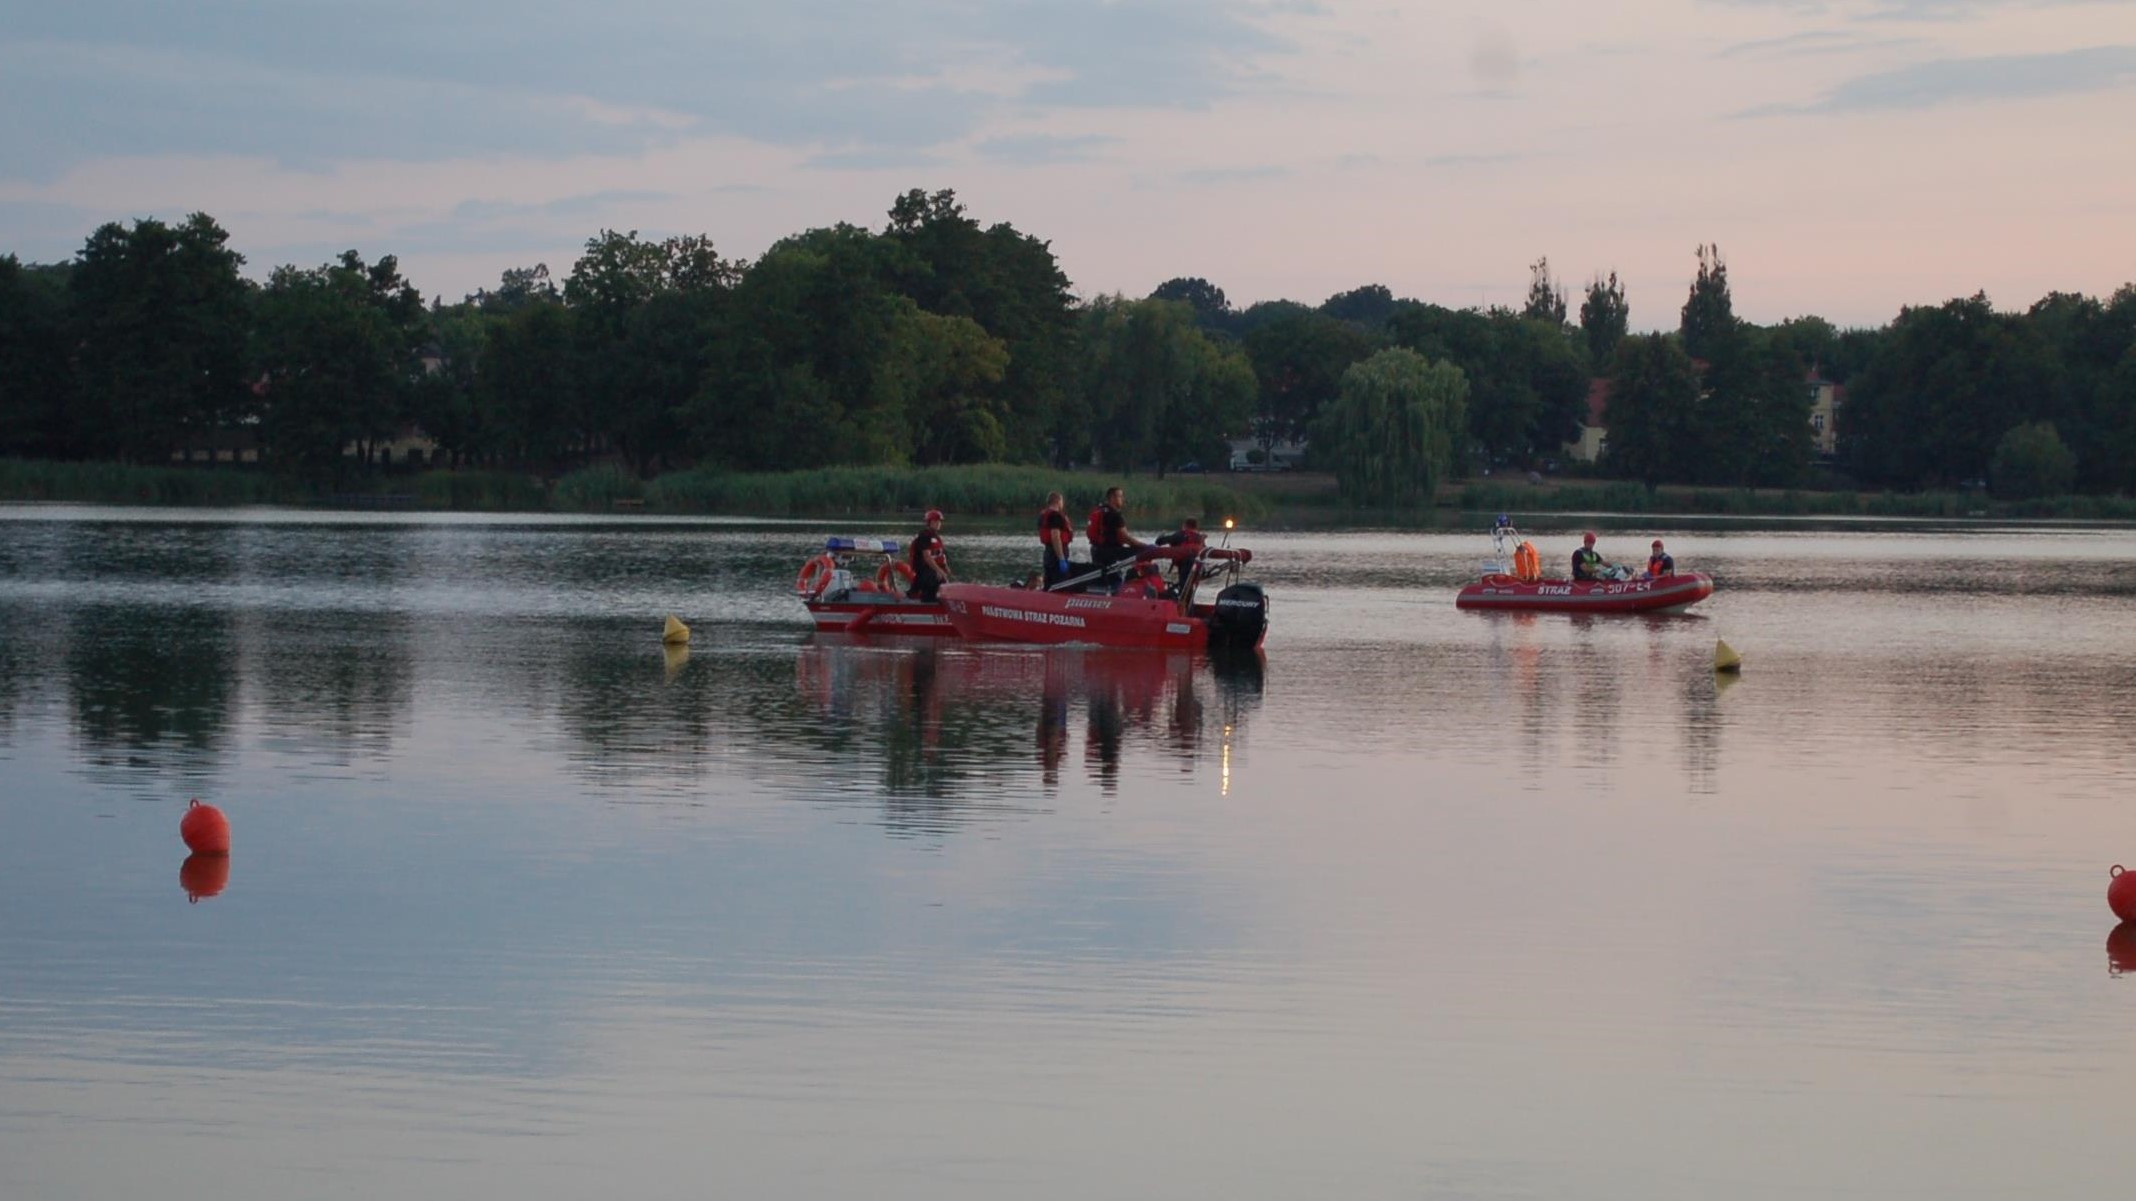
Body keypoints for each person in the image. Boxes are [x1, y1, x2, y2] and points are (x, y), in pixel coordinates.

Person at [1089, 486, 1145, 573]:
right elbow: (1125, 538)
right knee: (1142, 553)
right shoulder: (1115, 515)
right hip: (1111, 551)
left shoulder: (1100, 510)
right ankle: (1138, 577)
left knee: (1104, 575)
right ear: (1112, 498)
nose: (1122, 499)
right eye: (1120, 496)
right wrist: (1144, 546)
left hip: (1096, 550)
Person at [1153, 516, 1205, 594]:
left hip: (1185, 564)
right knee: (1190, 587)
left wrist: (1161, 536)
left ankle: (1182, 603)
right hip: (1198, 565)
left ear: (1185, 525)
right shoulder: (1199, 537)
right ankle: (1189, 604)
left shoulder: (1181, 534)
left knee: (1184, 586)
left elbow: (1159, 542)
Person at [908, 508, 951, 601]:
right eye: (936, 521)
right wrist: (939, 570)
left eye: (939, 521)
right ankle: (927, 603)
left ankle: (935, 602)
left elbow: (940, 555)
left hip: (930, 572)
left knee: (943, 581)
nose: (938, 523)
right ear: (929, 522)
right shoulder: (924, 536)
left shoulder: (935, 537)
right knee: (937, 579)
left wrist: (945, 567)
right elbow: (927, 557)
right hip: (924, 573)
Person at [1038, 491, 1077, 588]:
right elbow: (1055, 537)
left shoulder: (1043, 515)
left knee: (1049, 579)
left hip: (1048, 551)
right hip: (1057, 552)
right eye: (1062, 501)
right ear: (1058, 501)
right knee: (1060, 581)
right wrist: (1061, 558)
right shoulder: (1055, 516)